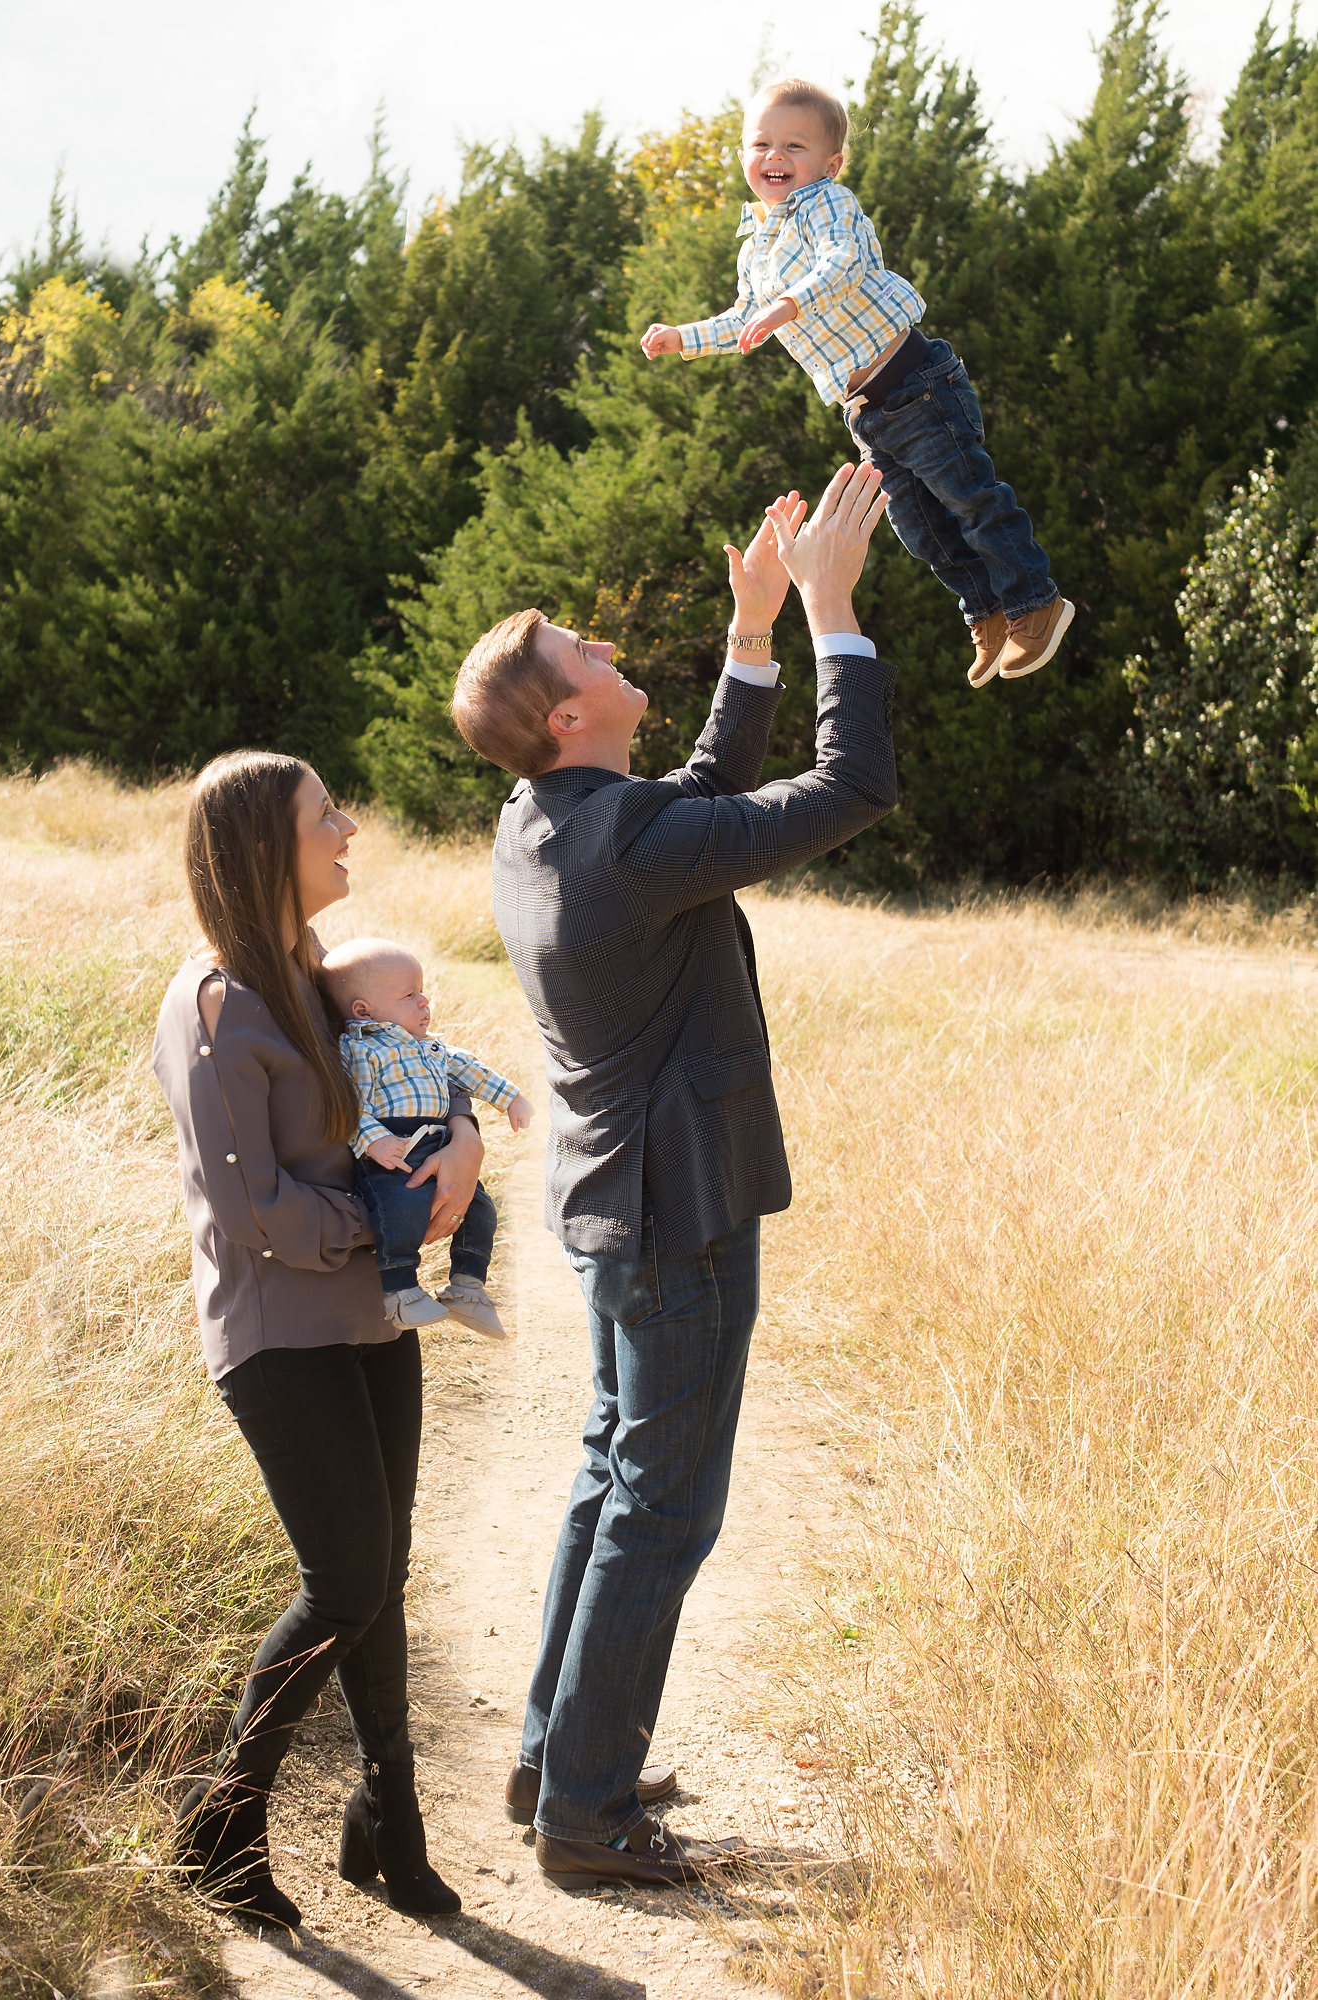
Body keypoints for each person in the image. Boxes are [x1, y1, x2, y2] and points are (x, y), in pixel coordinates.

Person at [451, 463, 897, 1888]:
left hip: (613, 1204)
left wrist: (751, 635)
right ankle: (585, 1813)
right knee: (664, 1508)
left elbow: (697, 799)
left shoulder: (547, 828)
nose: (606, 647)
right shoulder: (625, 846)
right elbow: (852, 787)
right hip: (677, 1215)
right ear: (570, 715)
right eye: (585, 653)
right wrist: (834, 615)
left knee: (610, 1480)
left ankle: (552, 1758)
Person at [151, 751, 484, 1928]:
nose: (349, 827)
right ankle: (220, 1825)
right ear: (262, 850)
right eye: (323, 816)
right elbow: (261, 1217)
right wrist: (385, 1216)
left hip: (366, 1315)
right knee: (345, 1571)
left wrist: (456, 1147)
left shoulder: (319, 978)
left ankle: (388, 1828)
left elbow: (410, 1081)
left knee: (380, 1570)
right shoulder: (214, 1007)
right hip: (276, 1332)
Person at [640, 75, 1073, 690]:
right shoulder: (755, 247)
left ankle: (1036, 602)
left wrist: (789, 304)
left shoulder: (828, 206)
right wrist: (683, 336)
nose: (775, 158)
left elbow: (841, 264)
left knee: (969, 496)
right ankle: (990, 613)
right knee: (919, 525)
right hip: (868, 411)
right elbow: (743, 318)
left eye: (795, 146)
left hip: (916, 383)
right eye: (761, 145)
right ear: (742, 155)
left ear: (830, 162)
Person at [323, 934, 534, 1338]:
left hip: (438, 1140)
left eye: (422, 992)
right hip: (394, 1147)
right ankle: (401, 1291)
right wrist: (372, 1139)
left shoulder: (432, 1048)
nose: (424, 1002)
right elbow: (347, 1101)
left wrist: (510, 1099)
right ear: (364, 1011)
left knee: (481, 1209)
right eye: (409, 995)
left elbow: (471, 1070)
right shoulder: (360, 1050)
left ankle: (467, 1288)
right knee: (399, 1208)